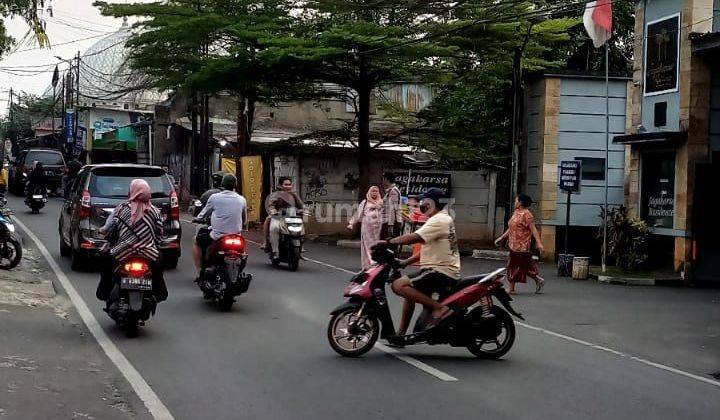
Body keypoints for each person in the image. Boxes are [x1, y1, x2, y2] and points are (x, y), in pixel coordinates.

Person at [375, 188, 460, 337]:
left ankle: (439, 308)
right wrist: (405, 262)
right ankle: (401, 334)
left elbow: (415, 237)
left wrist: (389, 242)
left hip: (440, 272)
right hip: (437, 269)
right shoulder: (442, 218)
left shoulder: (439, 220)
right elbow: (428, 249)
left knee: (398, 285)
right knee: (409, 293)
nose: (421, 204)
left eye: (424, 201)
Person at [96, 179, 168, 302]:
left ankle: (104, 292)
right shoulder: (155, 211)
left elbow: (110, 227)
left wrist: (103, 231)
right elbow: (160, 233)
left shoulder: (122, 208)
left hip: (122, 252)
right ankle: (159, 293)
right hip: (149, 253)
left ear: (131, 192)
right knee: (159, 268)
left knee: (105, 263)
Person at [192, 174, 247, 276]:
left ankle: (199, 271)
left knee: (196, 240)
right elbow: (244, 219)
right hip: (236, 236)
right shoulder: (242, 199)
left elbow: (204, 213)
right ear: (235, 185)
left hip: (217, 236)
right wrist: (243, 226)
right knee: (243, 252)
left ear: (222, 184)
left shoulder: (214, 197)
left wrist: (197, 219)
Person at [494, 194, 545, 295]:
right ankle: (538, 280)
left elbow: (533, 229)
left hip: (522, 245)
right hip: (513, 244)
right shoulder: (516, 212)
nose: (514, 202)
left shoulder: (527, 214)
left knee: (513, 265)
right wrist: (502, 237)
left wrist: (539, 243)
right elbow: (511, 228)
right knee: (520, 266)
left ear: (520, 202)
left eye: (516, 200)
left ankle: (512, 288)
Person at [262, 176, 304, 255]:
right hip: (278, 217)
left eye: (289, 185)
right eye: (286, 185)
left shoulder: (294, 195)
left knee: (301, 227)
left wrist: (303, 210)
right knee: (274, 228)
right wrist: (273, 211)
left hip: (292, 217)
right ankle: (274, 250)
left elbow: (301, 205)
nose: (288, 187)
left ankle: (301, 247)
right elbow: (271, 205)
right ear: (280, 186)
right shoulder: (276, 195)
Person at [347, 186, 384, 270]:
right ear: (369, 192)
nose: (374, 193)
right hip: (367, 226)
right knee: (367, 244)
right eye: (373, 191)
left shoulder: (381, 202)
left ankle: (373, 261)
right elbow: (358, 214)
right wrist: (351, 223)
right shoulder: (365, 202)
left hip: (377, 227)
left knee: (375, 244)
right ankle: (370, 262)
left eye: (376, 191)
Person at [380, 172, 402, 239]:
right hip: (387, 222)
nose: (382, 181)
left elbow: (392, 209)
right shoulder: (390, 191)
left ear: (386, 179)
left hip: (389, 223)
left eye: (383, 179)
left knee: (388, 246)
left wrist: (390, 225)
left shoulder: (393, 191)